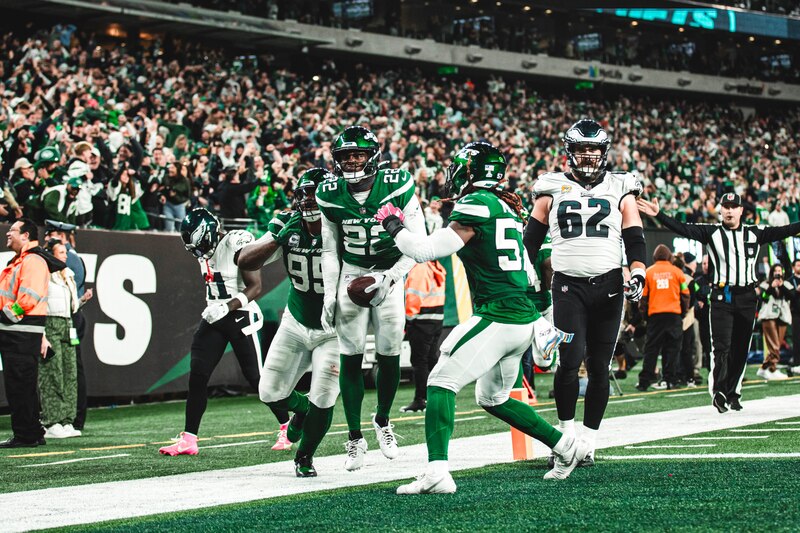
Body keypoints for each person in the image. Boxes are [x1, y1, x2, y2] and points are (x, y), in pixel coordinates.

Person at [376, 141, 581, 494]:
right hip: (523, 317)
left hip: (499, 315)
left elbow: (424, 250)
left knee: (440, 382)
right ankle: (565, 447)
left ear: (468, 172)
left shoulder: (476, 203)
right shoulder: (505, 204)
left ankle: (437, 472)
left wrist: (393, 224)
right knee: (493, 398)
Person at [524, 119, 647, 466]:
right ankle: (564, 438)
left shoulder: (621, 185)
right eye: (582, 149)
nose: (589, 156)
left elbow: (635, 235)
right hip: (567, 286)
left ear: (604, 151)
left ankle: (588, 442)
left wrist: (637, 270)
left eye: (594, 149)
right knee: (568, 362)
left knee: (599, 366)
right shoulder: (551, 186)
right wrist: (524, 278)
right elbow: (529, 242)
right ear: (570, 152)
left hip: (609, 286)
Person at [316, 126, 427, 471]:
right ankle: (354, 436)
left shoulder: (398, 183)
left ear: (373, 157)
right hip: (352, 270)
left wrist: (389, 277)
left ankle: (382, 420)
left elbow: (418, 243)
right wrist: (330, 293)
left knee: (389, 348)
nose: (351, 161)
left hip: (390, 270)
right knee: (350, 354)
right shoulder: (328, 193)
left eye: (358, 155)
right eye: (345, 156)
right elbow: (331, 248)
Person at [638, 192, 800, 412]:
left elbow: (784, 231)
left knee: (741, 349)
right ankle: (719, 392)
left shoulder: (754, 232)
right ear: (720, 210)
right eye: (726, 206)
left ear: (742, 210)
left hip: (747, 297)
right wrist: (660, 215)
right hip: (722, 296)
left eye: (734, 206)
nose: (730, 210)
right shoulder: (712, 232)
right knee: (720, 347)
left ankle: (733, 392)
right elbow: (683, 228)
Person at [159, 208, 289, 456]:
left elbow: (256, 286)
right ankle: (189, 439)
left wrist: (227, 307)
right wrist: (216, 309)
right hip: (214, 315)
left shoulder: (235, 242)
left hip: (240, 315)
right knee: (197, 375)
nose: (198, 253)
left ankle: (287, 424)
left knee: (257, 378)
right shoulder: (203, 249)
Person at [237, 168, 341, 477]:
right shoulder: (286, 222)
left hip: (334, 328)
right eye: (305, 193)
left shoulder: (343, 225)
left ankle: (304, 457)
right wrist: (279, 238)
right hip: (295, 320)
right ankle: (302, 410)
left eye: (316, 193)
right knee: (269, 392)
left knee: (324, 396)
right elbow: (245, 260)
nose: (309, 199)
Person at [0, 218, 53, 448]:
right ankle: (32, 431)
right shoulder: (22, 260)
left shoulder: (32, 261)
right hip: (20, 331)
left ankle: (25, 435)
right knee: (23, 385)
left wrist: (7, 316)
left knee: (19, 385)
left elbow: (29, 297)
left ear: (26, 236)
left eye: (12, 230)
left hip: (19, 332)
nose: (8, 234)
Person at [38, 238, 91, 438]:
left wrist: (81, 301)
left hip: (68, 324)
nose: (65, 255)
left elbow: (70, 307)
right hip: (50, 325)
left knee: (70, 374)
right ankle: (52, 421)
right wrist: (42, 333)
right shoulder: (45, 274)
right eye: (61, 252)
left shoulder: (67, 275)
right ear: (51, 254)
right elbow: (41, 304)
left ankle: (67, 420)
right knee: (53, 374)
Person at [636, 245, 690, 391]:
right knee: (673, 349)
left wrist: (646, 316)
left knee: (651, 350)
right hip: (674, 316)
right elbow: (685, 295)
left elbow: (644, 298)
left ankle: (644, 381)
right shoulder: (678, 272)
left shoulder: (649, 272)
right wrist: (682, 313)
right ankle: (670, 380)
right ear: (669, 257)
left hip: (655, 316)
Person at [400, 259, 446, 413]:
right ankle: (436, 397)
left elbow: (414, 297)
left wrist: (408, 320)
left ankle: (421, 399)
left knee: (420, 362)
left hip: (421, 320)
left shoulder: (419, 268)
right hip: (437, 319)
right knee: (432, 359)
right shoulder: (436, 266)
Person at [756, 263, 793, 380]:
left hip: (782, 316)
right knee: (774, 345)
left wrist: (781, 286)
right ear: (772, 272)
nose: (778, 273)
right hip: (768, 315)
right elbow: (763, 298)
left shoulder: (786, 284)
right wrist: (772, 287)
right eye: (775, 270)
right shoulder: (766, 284)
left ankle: (766, 368)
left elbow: (792, 297)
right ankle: (770, 368)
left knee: (777, 345)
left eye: (779, 270)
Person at [788, 259, 800, 368]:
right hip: (796, 313)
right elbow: (789, 296)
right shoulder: (790, 280)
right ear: (793, 267)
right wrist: (796, 291)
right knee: (796, 338)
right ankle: (797, 362)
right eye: (798, 265)